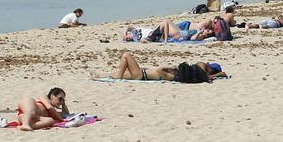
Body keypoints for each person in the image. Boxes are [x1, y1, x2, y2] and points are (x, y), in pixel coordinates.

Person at [90, 52, 225, 82]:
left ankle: (116, 76)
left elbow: (160, 70)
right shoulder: (178, 76)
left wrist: (168, 66)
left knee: (126, 55)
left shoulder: (172, 74)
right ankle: (100, 76)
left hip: (141, 76)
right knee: (119, 71)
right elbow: (213, 76)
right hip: (142, 74)